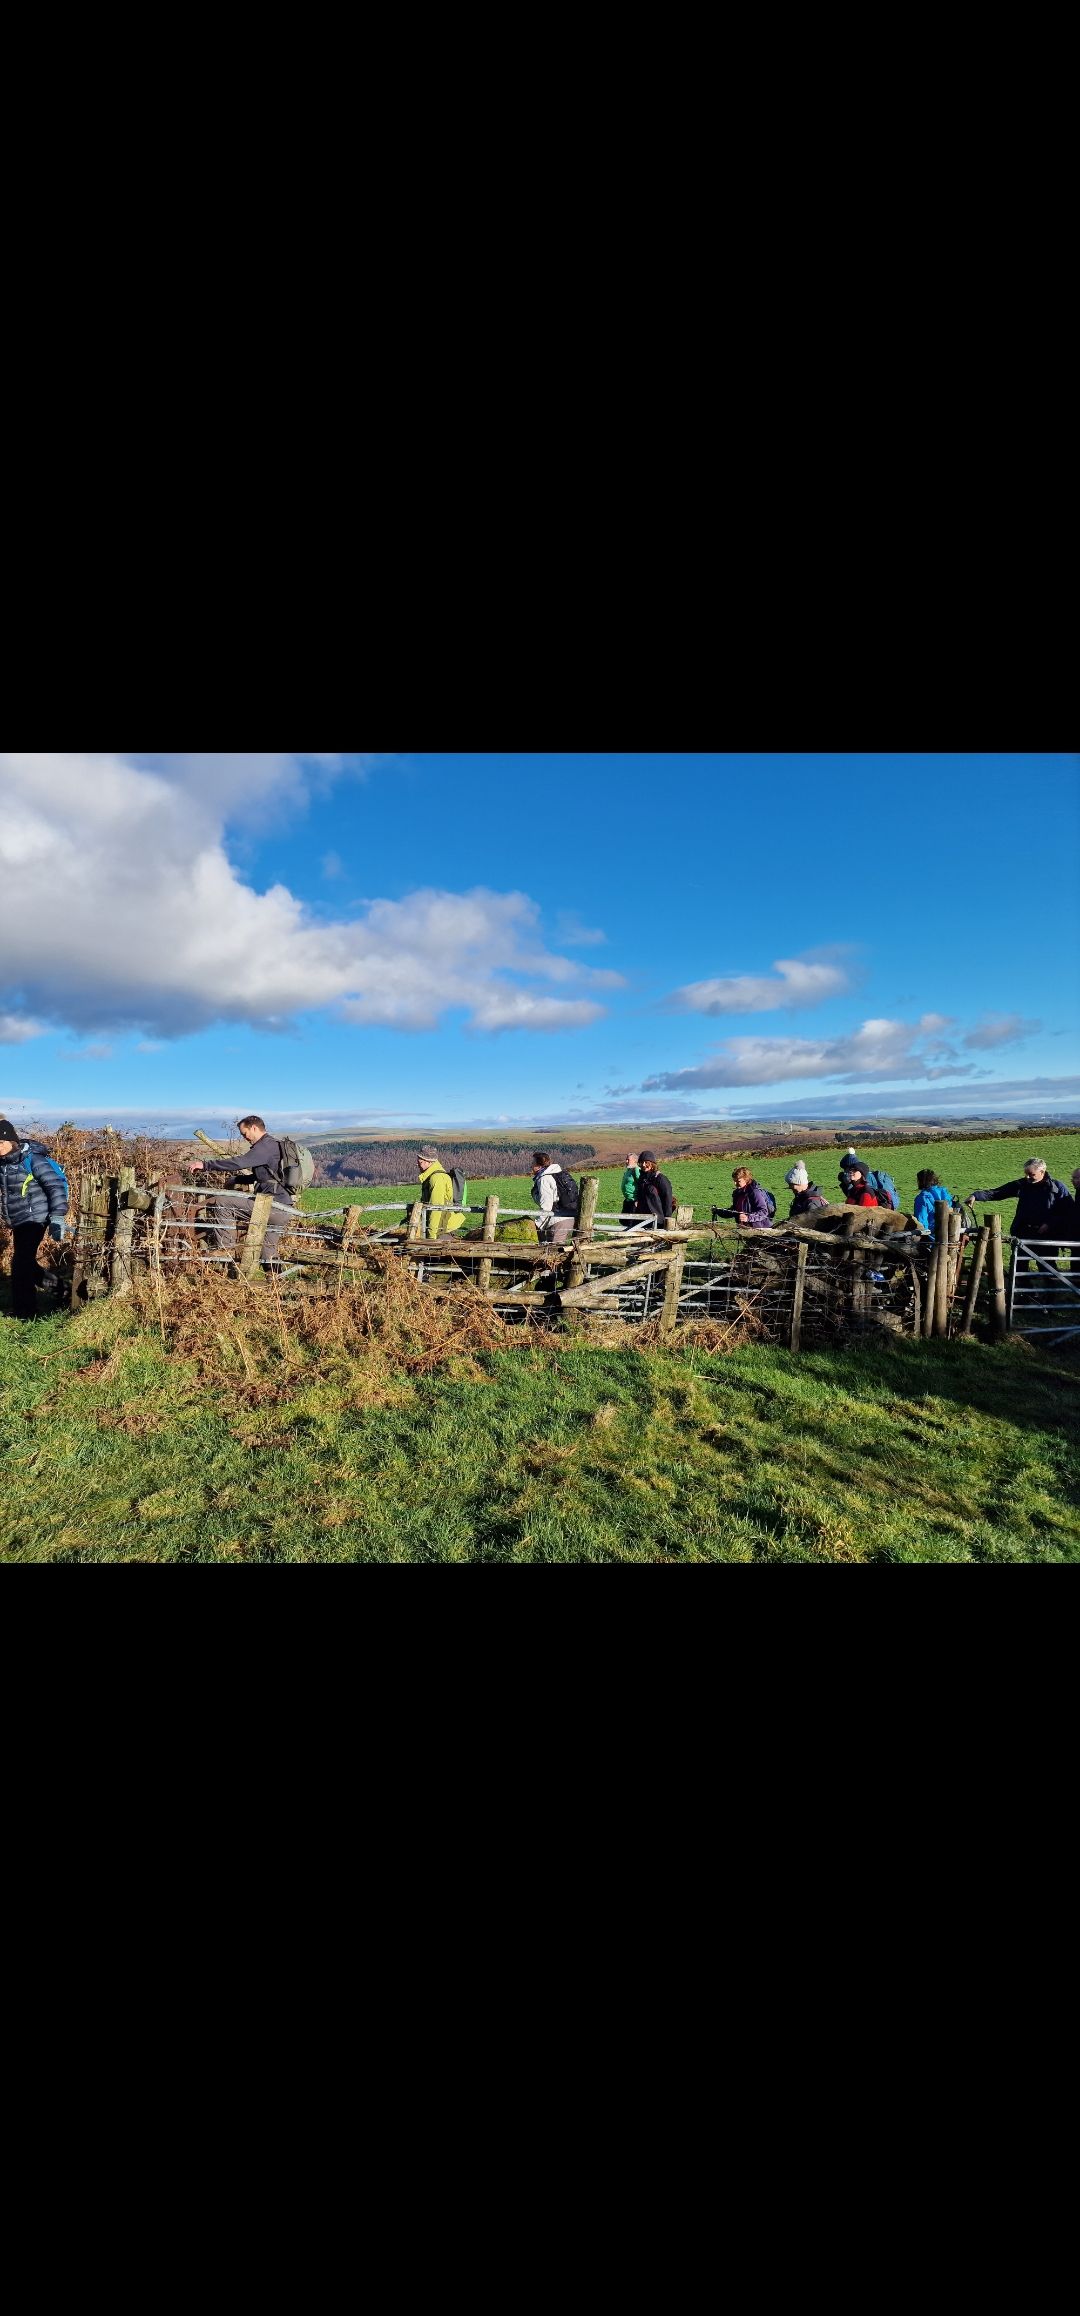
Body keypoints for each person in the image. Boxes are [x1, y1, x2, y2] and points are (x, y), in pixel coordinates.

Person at [187, 1115, 295, 1265]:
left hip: (272, 1206)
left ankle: (226, 1248)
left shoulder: (265, 1147)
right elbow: (264, 1177)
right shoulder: (272, 1145)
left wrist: (206, 1165)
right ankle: (273, 1283)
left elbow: (240, 1162)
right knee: (268, 1251)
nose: (245, 1138)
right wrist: (237, 1180)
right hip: (283, 1207)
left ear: (254, 1128)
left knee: (222, 1203)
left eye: (245, 1133)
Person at [0, 1119, 70, 1320]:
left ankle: (26, 1312)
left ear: (12, 1141)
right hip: (19, 1220)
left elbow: (55, 1186)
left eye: (1, 1143)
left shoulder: (33, 1160)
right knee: (25, 1263)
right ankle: (64, 1291)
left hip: (36, 1218)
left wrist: (57, 1216)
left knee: (21, 1263)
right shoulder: (4, 1164)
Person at [967, 1156, 1072, 1242]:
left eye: (1031, 1175)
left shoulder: (1057, 1187)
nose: (1027, 1177)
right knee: (1019, 1263)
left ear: (1042, 1172)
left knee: (1046, 1265)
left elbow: (1067, 1209)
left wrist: (1049, 1224)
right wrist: (976, 1195)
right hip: (1023, 1232)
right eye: (1026, 1174)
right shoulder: (1022, 1184)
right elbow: (998, 1193)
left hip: (1047, 1235)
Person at [416, 1149, 467, 1241]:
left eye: (420, 1162)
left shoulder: (437, 1179)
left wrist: (432, 1236)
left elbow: (436, 1208)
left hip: (442, 1229)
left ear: (429, 1161)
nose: (418, 1164)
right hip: (442, 1227)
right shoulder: (433, 1176)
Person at [531, 1153, 580, 1248]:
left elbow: (547, 1205)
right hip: (569, 1217)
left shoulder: (545, 1179)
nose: (531, 1165)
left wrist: (538, 1224)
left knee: (554, 1254)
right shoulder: (557, 1173)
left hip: (557, 1220)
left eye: (533, 1163)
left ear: (539, 1165)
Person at [634, 1151, 675, 1229]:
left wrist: (666, 1220)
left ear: (652, 1164)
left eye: (646, 1162)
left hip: (658, 1221)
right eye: (641, 1162)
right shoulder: (641, 1179)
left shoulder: (660, 1179)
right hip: (643, 1219)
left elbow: (667, 1200)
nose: (643, 1165)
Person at [913, 1170, 954, 1234]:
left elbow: (921, 1221)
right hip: (950, 1231)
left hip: (933, 1234)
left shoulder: (922, 1198)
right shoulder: (944, 1192)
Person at [621, 1153, 641, 1224]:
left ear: (635, 1160)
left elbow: (641, 1185)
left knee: (631, 1223)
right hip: (627, 1200)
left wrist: (638, 1200)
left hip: (634, 1201)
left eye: (628, 1160)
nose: (626, 1161)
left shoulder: (636, 1170)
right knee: (623, 1221)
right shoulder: (628, 1170)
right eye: (626, 1159)